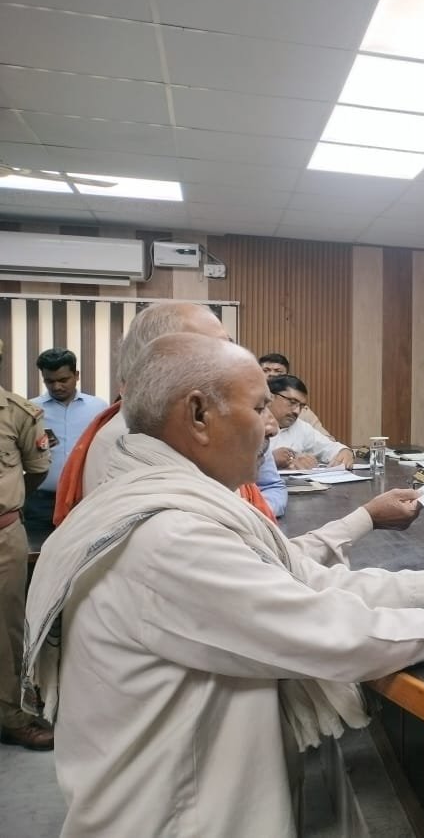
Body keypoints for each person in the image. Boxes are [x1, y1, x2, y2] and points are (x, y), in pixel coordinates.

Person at [23, 333, 424, 836]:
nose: (273, 427)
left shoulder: (160, 496)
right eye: (259, 408)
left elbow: (299, 581)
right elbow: (340, 636)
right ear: (198, 414)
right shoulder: (171, 536)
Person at [53, 302, 282, 526]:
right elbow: (202, 539)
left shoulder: (168, 428)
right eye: (217, 348)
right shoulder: (133, 440)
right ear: (160, 359)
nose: (233, 357)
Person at [0, 338, 53, 750]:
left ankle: (10, 714)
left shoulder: (18, 413)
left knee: (6, 628)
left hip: (3, 537)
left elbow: (35, 471)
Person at [24, 348, 107, 544]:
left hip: (84, 499)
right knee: (38, 555)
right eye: (49, 381)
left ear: (76, 375)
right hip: (40, 503)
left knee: (81, 554)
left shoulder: (98, 408)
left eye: (63, 380)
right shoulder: (31, 410)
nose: (57, 386)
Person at [268, 375, 354, 469]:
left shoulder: (301, 427)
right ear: (270, 397)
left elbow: (330, 448)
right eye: (292, 402)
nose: (297, 411)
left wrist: (345, 451)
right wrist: (270, 460)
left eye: (301, 406)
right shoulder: (255, 424)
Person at [259, 352, 334, 440]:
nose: (271, 374)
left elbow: (328, 441)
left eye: (278, 371)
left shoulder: (301, 412)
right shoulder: (248, 406)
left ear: (287, 376)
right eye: (266, 370)